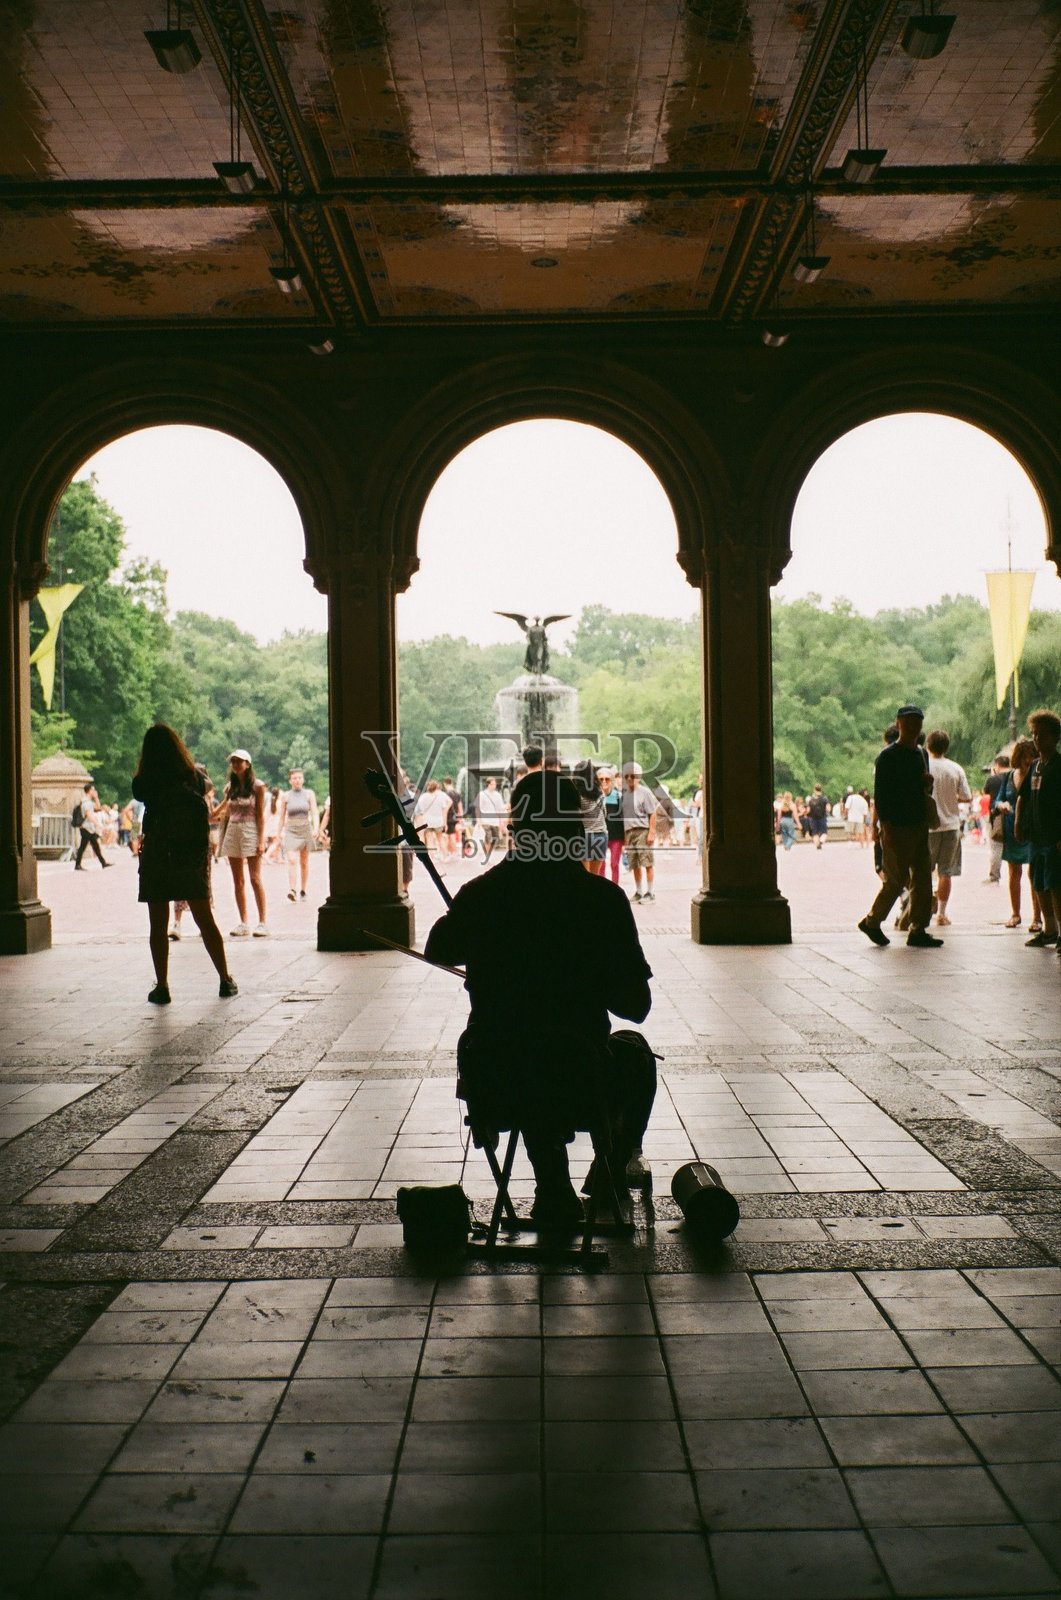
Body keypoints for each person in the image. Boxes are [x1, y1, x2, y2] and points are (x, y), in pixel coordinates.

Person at [424, 770, 655, 1227]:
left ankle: (552, 1183)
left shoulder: (481, 895)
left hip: (496, 1079)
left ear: (516, 828)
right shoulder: (603, 902)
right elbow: (637, 1007)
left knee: (527, 1048)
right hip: (579, 1080)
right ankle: (607, 1168)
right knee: (633, 1054)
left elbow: (438, 950)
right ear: (572, 831)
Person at [131, 725, 237, 1005]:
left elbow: (140, 794)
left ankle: (163, 985)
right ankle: (225, 979)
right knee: (205, 918)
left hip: (158, 853)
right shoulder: (194, 777)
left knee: (158, 923)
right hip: (190, 853)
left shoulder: (146, 780)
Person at [858, 704, 942, 949]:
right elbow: (882, 796)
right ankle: (872, 920)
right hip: (897, 825)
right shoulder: (887, 757)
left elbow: (924, 790)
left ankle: (917, 927)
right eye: (908, 723)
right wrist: (886, 829)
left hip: (918, 823)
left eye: (917, 723)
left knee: (923, 880)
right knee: (895, 880)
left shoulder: (921, 754)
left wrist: (927, 784)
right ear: (899, 725)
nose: (913, 727)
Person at [1015, 709, 1061, 951]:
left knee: (1056, 884)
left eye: (1041, 735)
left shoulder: (1059, 766)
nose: (1036, 739)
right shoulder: (1035, 766)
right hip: (1036, 835)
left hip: (1054, 837)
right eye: (1034, 734)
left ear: (1055, 737)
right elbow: (1022, 797)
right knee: (1038, 881)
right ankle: (1049, 930)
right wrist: (1018, 823)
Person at [217, 749, 268, 937]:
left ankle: (262, 921)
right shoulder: (231, 787)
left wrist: (261, 840)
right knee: (237, 880)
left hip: (250, 829)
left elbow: (260, 815)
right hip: (234, 829)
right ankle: (244, 921)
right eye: (233, 762)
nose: (236, 765)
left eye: (239, 761)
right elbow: (226, 810)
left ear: (248, 764)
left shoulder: (258, 786)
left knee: (255, 878)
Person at [926, 730, 971, 927]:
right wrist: (953, 798)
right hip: (951, 825)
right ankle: (942, 914)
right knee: (946, 872)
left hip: (928, 827)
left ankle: (922, 909)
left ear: (928, 746)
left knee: (924, 871)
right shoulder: (955, 769)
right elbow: (967, 796)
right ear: (946, 747)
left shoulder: (924, 767)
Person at [996, 738, 1039, 930]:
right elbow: (998, 800)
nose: (1028, 760)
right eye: (1025, 756)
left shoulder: (1037, 777)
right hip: (1011, 828)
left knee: (1034, 872)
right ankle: (1015, 914)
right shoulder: (1008, 777)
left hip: (1031, 829)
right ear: (1018, 757)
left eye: (1032, 756)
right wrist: (1001, 805)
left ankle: (1037, 917)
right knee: (1014, 872)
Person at [279, 768, 320, 902]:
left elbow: (314, 812)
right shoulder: (285, 796)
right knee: (291, 859)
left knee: (304, 860)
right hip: (291, 828)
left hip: (305, 827)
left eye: (299, 778)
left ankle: (303, 889)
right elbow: (281, 816)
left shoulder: (309, 794)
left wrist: (316, 828)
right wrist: (279, 832)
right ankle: (292, 889)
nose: (297, 780)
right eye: (294, 778)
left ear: (303, 779)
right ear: (290, 780)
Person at [621, 761, 658, 902]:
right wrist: (625, 837)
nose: (630, 778)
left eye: (633, 775)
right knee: (634, 863)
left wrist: (651, 832)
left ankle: (650, 892)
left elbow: (652, 813)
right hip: (630, 832)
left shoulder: (645, 792)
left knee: (647, 862)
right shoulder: (625, 795)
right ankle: (639, 891)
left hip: (642, 830)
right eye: (627, 776)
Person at [573, 758, 607, 875]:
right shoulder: (600, 792)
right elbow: (605, 813)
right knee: (595, 875)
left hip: (583, 836)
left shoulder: (576, 793)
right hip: (600, 835)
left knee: (584, 875)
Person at [983, 754, 1010, 883]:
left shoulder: (992, 780)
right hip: (1012, 815)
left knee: (995, 847)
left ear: (997, 765)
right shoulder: (1013, 776)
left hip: (996, 817)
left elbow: (985, 794)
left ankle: (994, 875)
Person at [73, 782, 111, 870]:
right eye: (93, 790)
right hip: (87, 827)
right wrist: (98, 824)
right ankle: (102, 862)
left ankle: (102, 862)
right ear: (89, 791)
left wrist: (96, 797)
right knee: (85, 846)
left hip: (88, 827)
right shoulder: (86, 802)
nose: (94, 791)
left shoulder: (88, 802)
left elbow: (98, 807)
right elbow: (89, 815)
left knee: (92, 846)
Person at [600, 767, 624, 883]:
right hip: (601, 834)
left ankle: (615, 888)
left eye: (607, 779)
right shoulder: (596, 796)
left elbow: (623, 817)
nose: (604, 781)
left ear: (612, 780)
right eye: (601, 779)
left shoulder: (618, 796)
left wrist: (625, 837)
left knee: (614, 864)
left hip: (616, 836)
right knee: (600, 864)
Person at [415, 778, 451, 854]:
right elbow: (444, 807)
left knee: (429, 839)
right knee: (440, 838)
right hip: (438, 821)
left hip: (427, 821)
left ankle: (432, 857)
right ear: (436, 787)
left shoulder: (423, 797)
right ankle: (445, 856)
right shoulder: (440, 796)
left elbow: (420, 808)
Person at [476, 776, 506, 862]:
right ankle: (487, 856)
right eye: (493, 784)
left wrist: (508, 807)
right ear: (488, 785)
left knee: (495, 839)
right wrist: (479, 820)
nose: (494, 786)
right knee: (488, 838)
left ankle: (489, 854)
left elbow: (500, 808)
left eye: (495, 784)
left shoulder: (497, 795)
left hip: (495, 821)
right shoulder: (482, 794)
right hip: (485, 820)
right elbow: (478, 808)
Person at [442, 777, 463, 857]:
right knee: (452, 833)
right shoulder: (457, 793)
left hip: (448, 816)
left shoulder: (446, 794)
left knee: (449, 835)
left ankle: (453, 851)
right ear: (452, 783)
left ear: (445, 783)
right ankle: (453, 851)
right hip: (455, 816)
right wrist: (461, 817)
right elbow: (460, 805)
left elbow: (445, 806)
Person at [263, 786, 283, 863]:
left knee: (277, 842)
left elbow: (265, 816)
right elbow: (283, 815)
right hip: (277, 825)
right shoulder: (280, 803)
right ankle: (267, 855)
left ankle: (278, 858)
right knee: (277, 842)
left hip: (270, 825)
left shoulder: (270, 804)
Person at [806, 784, 829, 850]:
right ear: (821, 789)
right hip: (822, 817)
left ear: (814, 789)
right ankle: (821, 841)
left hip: (813, 818)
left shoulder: (811, 799)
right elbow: (828, 809)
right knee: (824, 832)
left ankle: (817, 844)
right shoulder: (824, 798)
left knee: (815, 833)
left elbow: (808, 810)